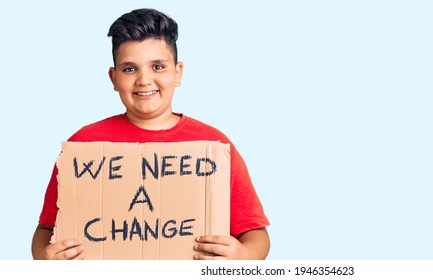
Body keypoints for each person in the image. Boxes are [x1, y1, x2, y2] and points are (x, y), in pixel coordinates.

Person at [31, 8, 270, 260]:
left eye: (157, 66)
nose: (144, 80)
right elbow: (45, 229)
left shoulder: (214, 146)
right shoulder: (83, 145)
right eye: (130, 69)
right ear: (114, 78)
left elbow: (256, 234)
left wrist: (243, 256)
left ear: (177, 72)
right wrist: (46, 259)